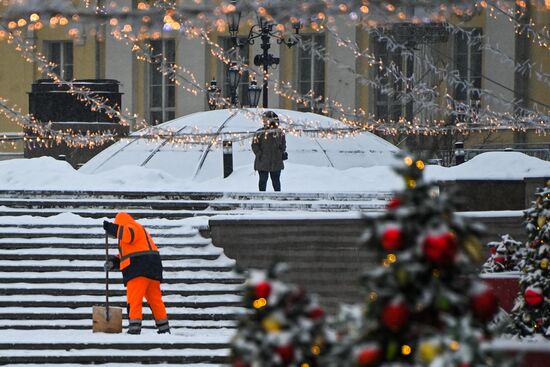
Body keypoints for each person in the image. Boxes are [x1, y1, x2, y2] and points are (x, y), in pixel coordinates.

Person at [103, 212, 170, 335]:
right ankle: (164, 328)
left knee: (134, 300)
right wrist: (113, 262)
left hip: (138, 268)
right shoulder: (140, 231)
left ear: (120, 223)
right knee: (155, 301)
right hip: (153, 269)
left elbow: (128, 235)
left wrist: (112, 228)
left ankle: (134, 328)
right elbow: (128, 254)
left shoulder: (131, 226)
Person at [251, 111, 287, 192]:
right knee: (263, 181)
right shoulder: (260, 132)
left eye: (266, 119)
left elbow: (283, 144)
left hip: (276, 161)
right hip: (263, 161)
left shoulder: (279, 132)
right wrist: (259, 154)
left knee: (276, 182)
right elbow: (254, 145)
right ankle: (262, 197)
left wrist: (281, 151)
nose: (264, 121)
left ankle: (278, 198)